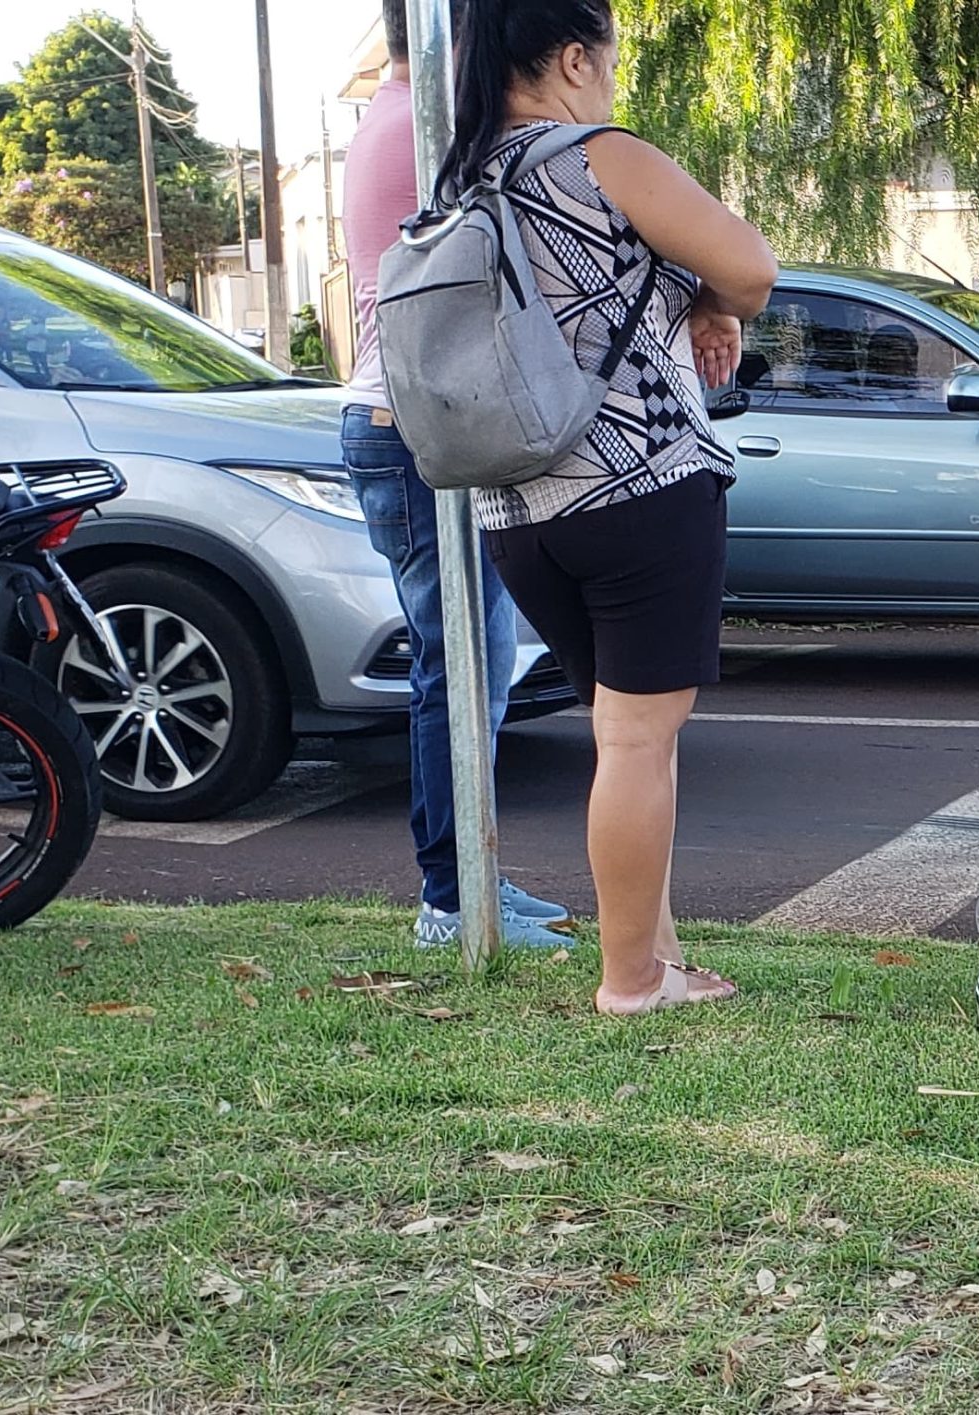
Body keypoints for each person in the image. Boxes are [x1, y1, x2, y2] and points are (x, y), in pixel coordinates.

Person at [439, 0, 778, 1014]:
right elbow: (751, 266)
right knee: (637, 741)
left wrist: (700, 299)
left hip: (515, 511)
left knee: (629, 736)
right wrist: (720, 298)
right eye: (611, 60)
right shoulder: (596, 154)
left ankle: (659, 954)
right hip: (638, 484)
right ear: (575, 58)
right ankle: (630, 977)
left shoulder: (462, 177)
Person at [342, 0, 570, 951]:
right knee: (460, 674)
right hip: (412, 433)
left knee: (472, 671)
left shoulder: (391, 121)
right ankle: (451, 897)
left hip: (403, 426)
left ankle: (470, 878)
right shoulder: (430, 131)